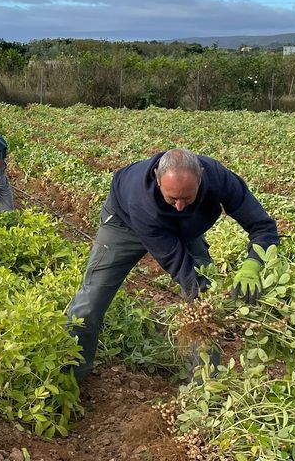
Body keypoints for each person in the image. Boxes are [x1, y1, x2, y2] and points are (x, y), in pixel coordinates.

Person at [66, 148, 279, 382]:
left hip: (186, 229)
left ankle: (204, 386)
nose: (179, 205)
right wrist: (201, 291)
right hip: (124, 224)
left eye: (187, 197)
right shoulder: (140, 197)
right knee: (90, 302)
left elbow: (263, 227)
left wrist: (253, 264)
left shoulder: (220, 179)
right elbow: (176, 261)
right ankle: (72, 375)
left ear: (201, 176)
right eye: (172, 198)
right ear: (158, 178)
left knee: (204, 305)